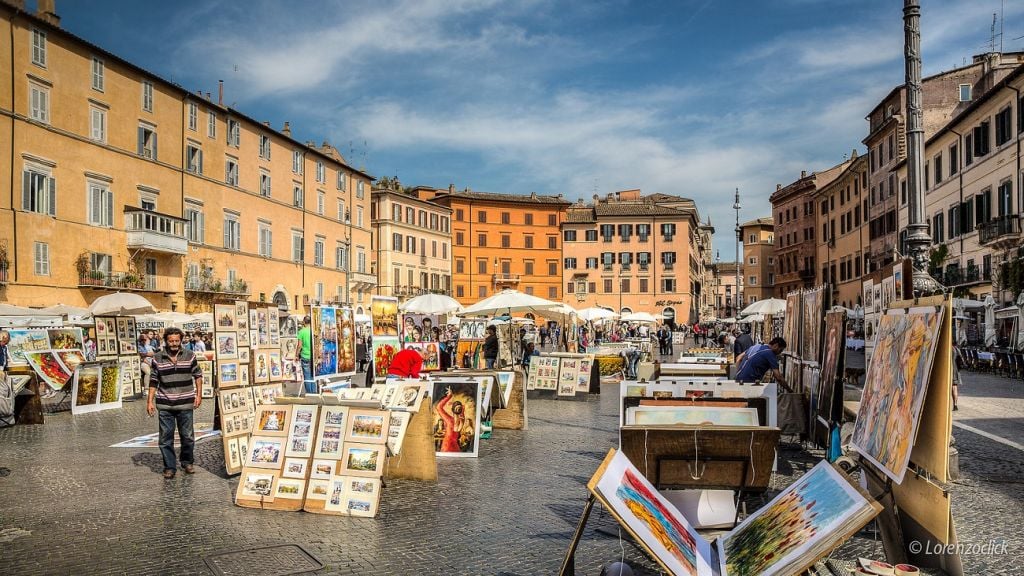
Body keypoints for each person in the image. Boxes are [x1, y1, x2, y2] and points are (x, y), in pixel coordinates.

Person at [146, 328, 203, 479]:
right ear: (166, 341)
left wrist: (199, 395)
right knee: (165, 438)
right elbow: (153, 381)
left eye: (177, 341)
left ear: (181, 340)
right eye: (171, 341)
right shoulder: (157, 358)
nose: (174, 344)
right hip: (165, 404)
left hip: (185, 403)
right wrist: (149, 401)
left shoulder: (190, 355)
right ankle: (170, 467)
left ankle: (187, 462)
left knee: (188, 436)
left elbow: (198, 376)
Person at [297, 315, 314, 394]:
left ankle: (309, 394)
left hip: (305, 356)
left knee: (307, 377)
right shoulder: (314, 331)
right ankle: (314, 394)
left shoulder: (301, 331)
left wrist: (296, 355)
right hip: (313, 357)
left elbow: (299, 345)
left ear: (304, 322)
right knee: (313, 377)